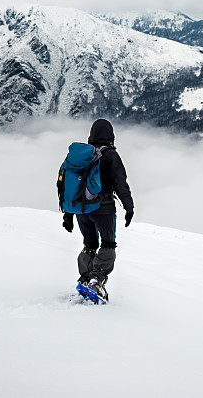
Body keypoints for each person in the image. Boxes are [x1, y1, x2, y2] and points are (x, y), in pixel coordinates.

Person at [62, 119, 134, 301]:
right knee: (108, 244)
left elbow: (66, 185)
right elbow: (120, 183)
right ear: (111, 137)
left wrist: (68, 214)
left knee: (89, 245)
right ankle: (96, 280)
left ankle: (86, 279)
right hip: (103, 209)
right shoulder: (110, 155)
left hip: (81, 210)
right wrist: (128, 206)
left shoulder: (81, 156)